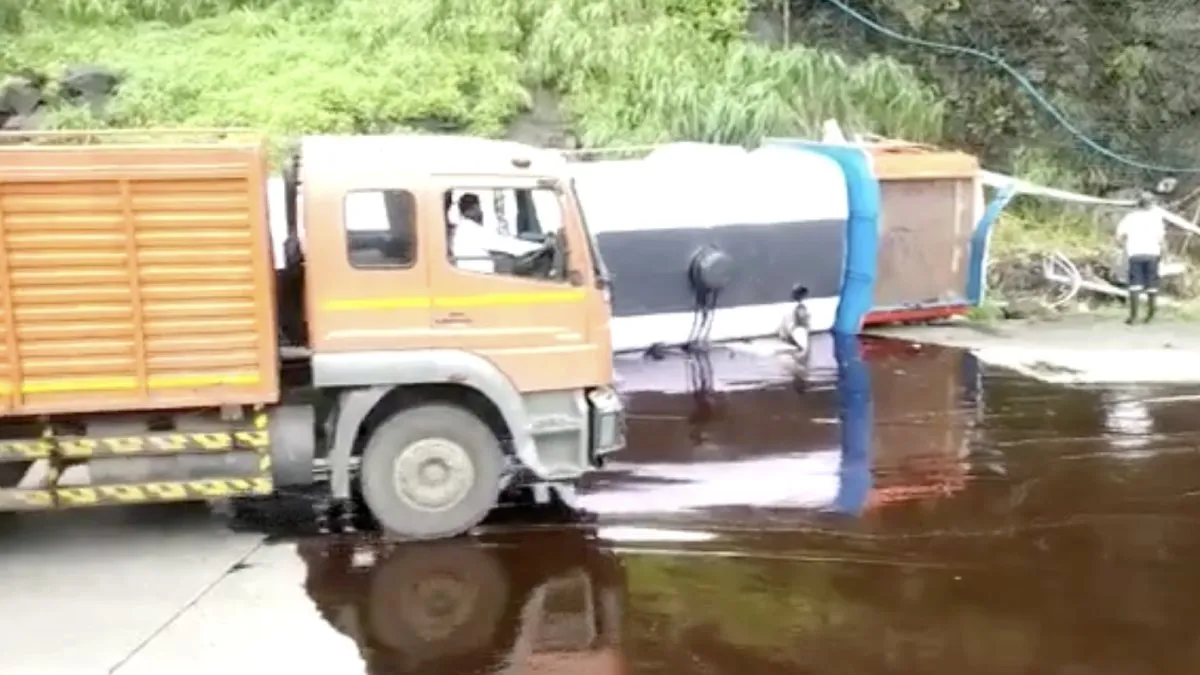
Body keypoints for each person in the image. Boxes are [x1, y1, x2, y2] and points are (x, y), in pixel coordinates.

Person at [447, 192, 541, 274]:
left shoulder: (465, 228)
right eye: (478, 208)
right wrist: (539, 247)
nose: (481, 212)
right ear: (473, 209)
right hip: (480, 278)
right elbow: (506, 245)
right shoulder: (471, 230)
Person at [1115, 193, 1167, 324]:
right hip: (1153, 253)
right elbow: (1161, 239)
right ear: (1151, 204)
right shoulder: (1156, 218)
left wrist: (1123, 245)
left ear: (1138, 204)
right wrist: (1164, 254)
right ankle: (1151, 314)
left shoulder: (1130, 217)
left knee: (1135, 285)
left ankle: (1133, 316)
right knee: (1152, 284)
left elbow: (1119, 236)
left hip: (1135, 253)